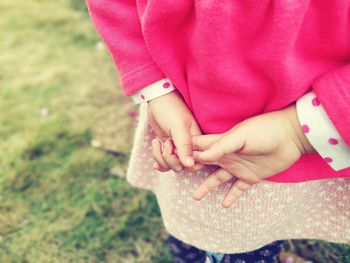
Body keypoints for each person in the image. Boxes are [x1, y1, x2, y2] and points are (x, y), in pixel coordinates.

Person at [86, 1, 350, 262]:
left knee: (241, 245)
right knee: (194, 226)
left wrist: (299, 131)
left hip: (309, 132)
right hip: (181, 110)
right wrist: (156, 90)